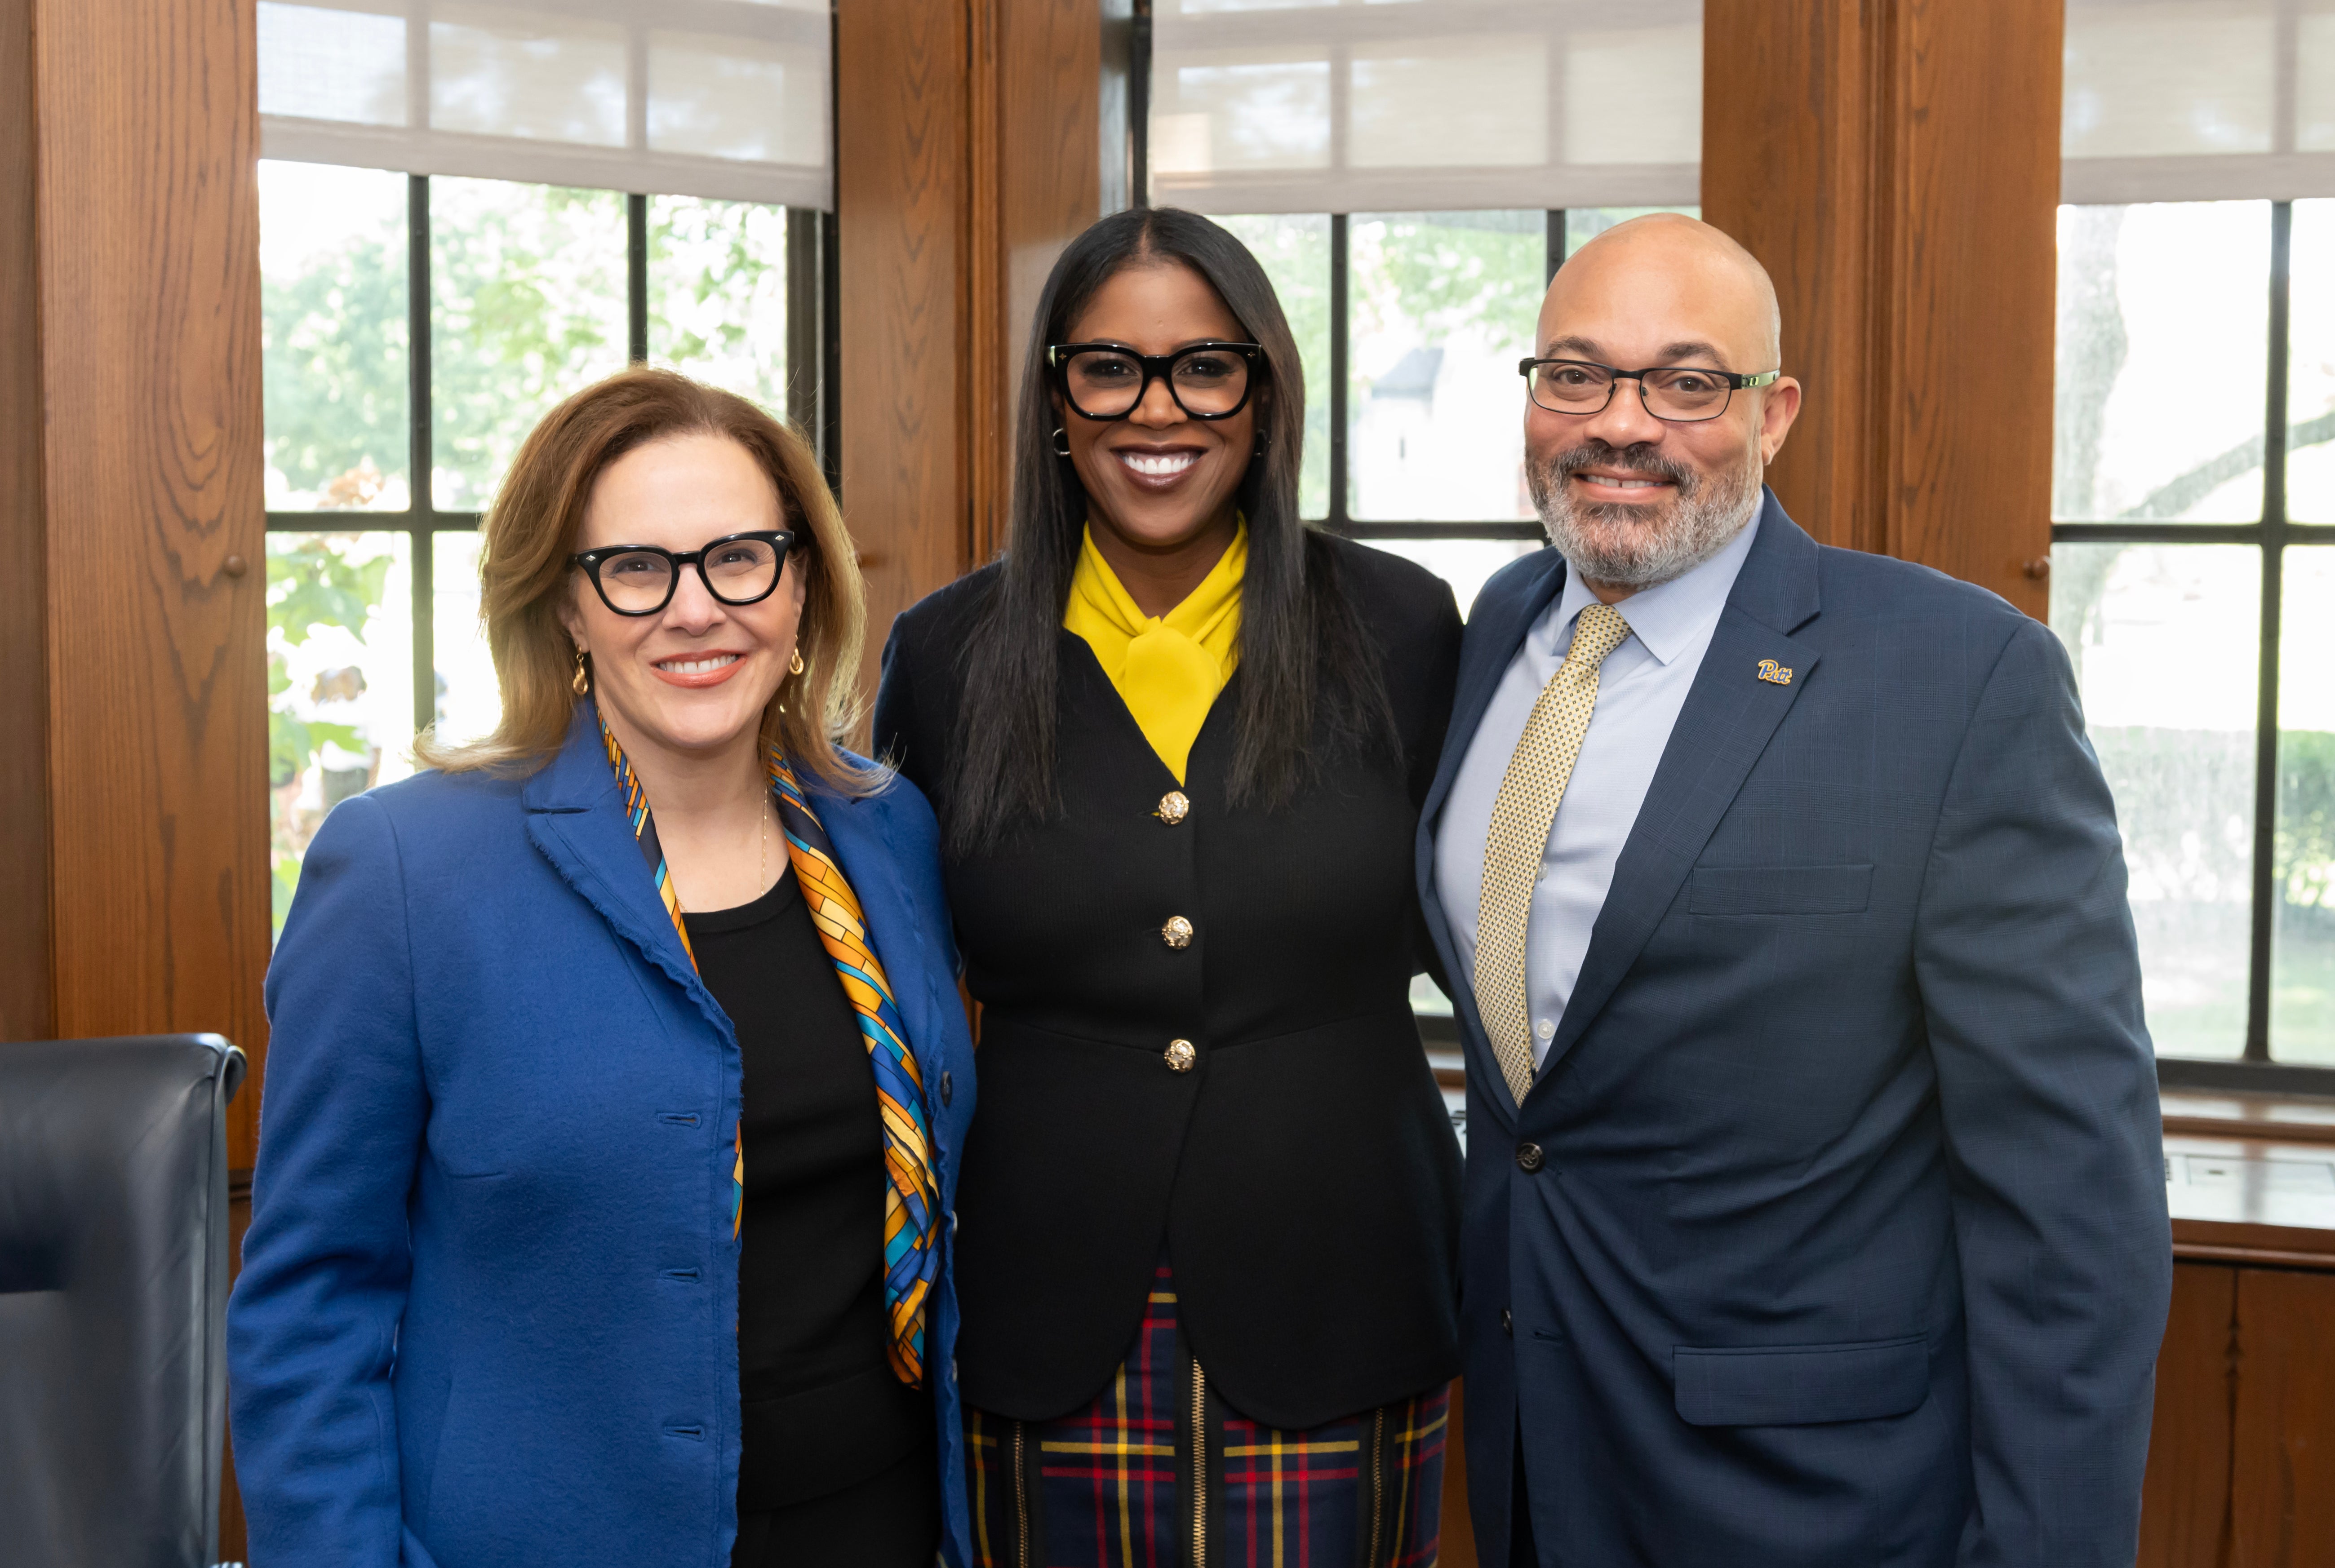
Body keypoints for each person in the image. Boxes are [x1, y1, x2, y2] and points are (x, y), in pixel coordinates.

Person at [1421, 214, 2172, 1567]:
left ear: (1775, 415)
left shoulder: (1957, 677)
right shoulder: (1499, 633)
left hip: (1823, 1498)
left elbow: (2071, 1200)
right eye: (1576, 375)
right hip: (1536, 1458)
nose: (1621, 424)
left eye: (1688, 382)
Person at [228, 368, 977, 1568]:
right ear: (566, 607)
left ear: (799, 588)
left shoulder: (886, 832)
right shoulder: (406, 871)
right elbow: (311, 1304)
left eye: (740, 557)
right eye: (636, 567)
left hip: (880, 1520)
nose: (696, 609)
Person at [875, 208, 1464, 1566]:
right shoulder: (948, 654)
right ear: (1056, 402)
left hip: (1343, 1290)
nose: (1159, 410)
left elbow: (1496, 928)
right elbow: (889, 968)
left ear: (1264, 395)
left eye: (1206, 367)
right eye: (1110, 368)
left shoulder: (1403, 628)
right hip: (1042, 1308)